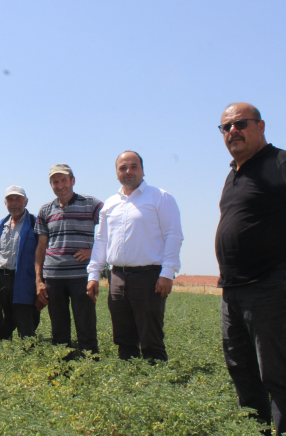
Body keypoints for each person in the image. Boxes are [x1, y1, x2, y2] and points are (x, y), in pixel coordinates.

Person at [216, 102, 286, 436]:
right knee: (243, 373)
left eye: (240, 123)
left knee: (277, 376)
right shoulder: (234, 173)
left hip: (272, 284)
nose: (232, 131)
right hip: (234, 289)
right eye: (225, 127)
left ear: (260, 126)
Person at [86, 151, 183, 362]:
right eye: (122, 168)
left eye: (133, 166)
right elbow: (101, 241)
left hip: (149, 277)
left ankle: (156, 385)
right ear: (116, 173)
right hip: (117, 277)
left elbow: (173, 235)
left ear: (142, 170)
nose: (128, 171)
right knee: (123, 336)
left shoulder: (160, 197)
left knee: (151, 336)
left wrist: (167, 273)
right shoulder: (110, 205)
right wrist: (93, 275)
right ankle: (130, 383)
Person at [35, 164, 103, 354]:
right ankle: (62, 372)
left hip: (82, 276)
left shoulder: (91, 204)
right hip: (54, 277)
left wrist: (94, 251)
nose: (60, 185)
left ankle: (90, 369)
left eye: (64, 180)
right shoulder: (45, 210)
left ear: (73, 181)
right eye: (55, 181)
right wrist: (39, 280)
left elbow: (112, 230)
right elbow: (40, 247)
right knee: (59, 330)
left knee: (86, 327)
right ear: (51, 185)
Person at [0, 186, 40, 339]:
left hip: (25, 281)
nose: (14, 203)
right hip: (1, 280)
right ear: (5, 202)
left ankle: (29, 359)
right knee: (0, 327)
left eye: (18, 199)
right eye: (10, 199)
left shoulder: (36, 224)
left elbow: (43, 255)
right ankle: (2, 359)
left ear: (26, 201)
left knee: (26, 327)